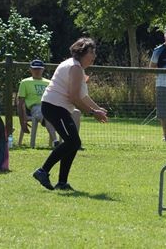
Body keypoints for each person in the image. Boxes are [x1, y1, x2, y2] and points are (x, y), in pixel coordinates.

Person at [32, 38, 107, 191]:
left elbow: (83, 96)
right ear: (82, 53)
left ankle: (62, 182)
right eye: (91, 52)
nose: (94, 56)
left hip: (57, 107)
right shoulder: (75, 68)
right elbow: (73, 97)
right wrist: (93, 113)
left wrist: (98, 108)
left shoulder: (77, 67)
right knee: (73, 142)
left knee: (73, 142)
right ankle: (42, 171)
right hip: (54, 107)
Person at [17, 60, 58, 147]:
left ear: (43, 70)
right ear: (30, 69)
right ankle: (56, 141)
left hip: (50, 106)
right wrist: (22, 120)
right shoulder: (25, 82)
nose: (37, 71)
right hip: (35, 107)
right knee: (46, 113)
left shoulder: (49, 82)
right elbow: (21, 102)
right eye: (35, 69)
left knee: (75, 112)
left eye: (39, 69)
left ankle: (73, 143)